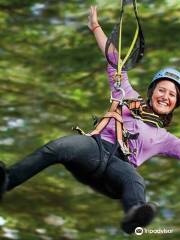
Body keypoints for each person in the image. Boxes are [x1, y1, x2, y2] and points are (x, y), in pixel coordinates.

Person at [0, 5, 180, 235]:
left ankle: (134, 215)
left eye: (172, 95)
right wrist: (95, 26)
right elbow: (115, 59)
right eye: (162, 90)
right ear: (152, 90)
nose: (165, 96)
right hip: (93, 149)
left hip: (120, 168)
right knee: (57, 147)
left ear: (175, 103)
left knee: (135, 181)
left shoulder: (164, 138)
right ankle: (6, 181)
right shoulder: (126, 93)